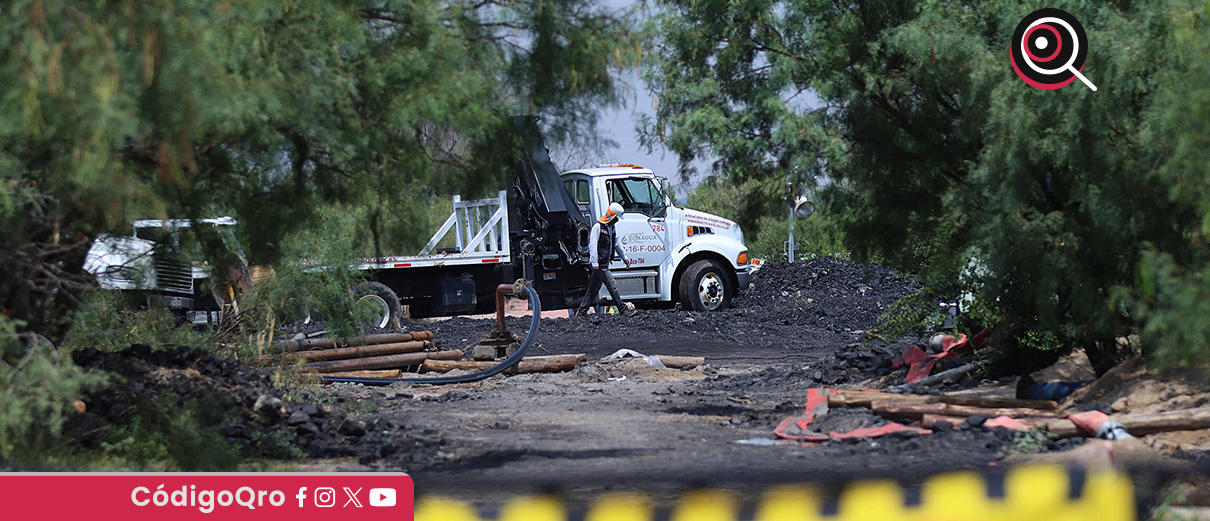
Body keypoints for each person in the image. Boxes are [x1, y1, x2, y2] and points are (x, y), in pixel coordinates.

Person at [577, 202, 637, 317]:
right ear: (612, 216)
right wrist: (594, 263)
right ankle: (623, 309)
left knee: (593, 289)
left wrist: (624, 257)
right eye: (616, 218)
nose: (617, 221)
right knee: (612, 285)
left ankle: (582, 311)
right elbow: (592, 245)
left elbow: (617, 243)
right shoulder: (597, 227)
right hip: (600, 264)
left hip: (603, 263)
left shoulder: (611, 228)